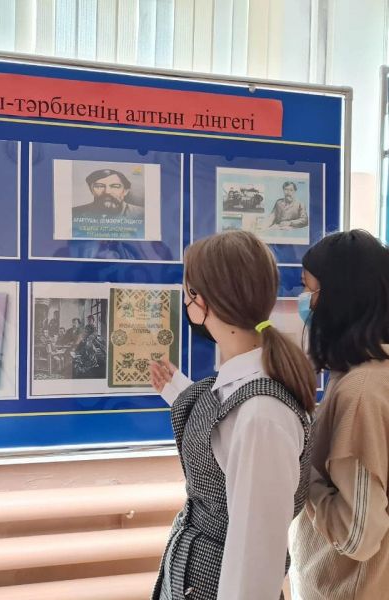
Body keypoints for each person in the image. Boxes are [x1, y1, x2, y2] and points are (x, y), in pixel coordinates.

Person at [149, 230, 315, 600]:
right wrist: (177, 391)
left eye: (187, 291)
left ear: (203, 300)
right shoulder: (242, 388)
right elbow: (221, 429)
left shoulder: (262, 416)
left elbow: (256, 558)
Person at [290, 230, 389, 600]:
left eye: (309, 289)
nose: (304, 302)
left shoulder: (361, 392)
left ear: (339, 299)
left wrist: (303, 474)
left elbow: (357, 535)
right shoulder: (364, 375)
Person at [72, 168, 143, 219]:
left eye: (115, 186)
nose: (107, 191)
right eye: (99, 186)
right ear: (91, 189)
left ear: (125, 191)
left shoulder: (142, 214)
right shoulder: (74, 213)